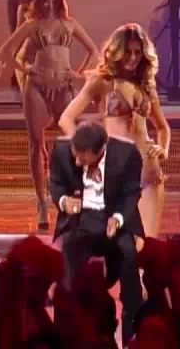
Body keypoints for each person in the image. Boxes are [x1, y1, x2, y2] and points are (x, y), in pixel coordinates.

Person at [0, 0, 97, 231]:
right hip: (37, 88)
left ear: (59, 1)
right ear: (39, 2)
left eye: (53, 1)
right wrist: (24, 69)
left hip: (63, 88)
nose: (49, 5)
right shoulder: (32, 26)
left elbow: (93, 50)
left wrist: (78, 74)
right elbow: (5, 51)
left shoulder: (69, 24)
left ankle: (74, 195)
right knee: (35, 144)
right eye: (45, 1)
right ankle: (41, 202)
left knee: (74, 140)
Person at [60, 23, 171, 238]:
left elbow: (162, 127)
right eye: (128, 52)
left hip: (149, 172)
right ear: (117, 52)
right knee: (116, 244)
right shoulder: (103, 82)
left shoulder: (146, 86)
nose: (133, 57)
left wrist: (163, 149)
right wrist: (87, 153)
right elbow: (67, 119)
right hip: (116, 173)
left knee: (148, 244)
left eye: (138, 52)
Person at [50, 121, 144, 343]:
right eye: (74, 154)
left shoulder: (127, 154)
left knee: (128, 254)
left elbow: (131, 193)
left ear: (99, 151)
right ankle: (67, 329)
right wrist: (63, 202)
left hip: (112, 217)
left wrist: (118, 219)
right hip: (79, 218)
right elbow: (55, 185)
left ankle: (131, 329)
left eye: (82, 158)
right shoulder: (61, 151)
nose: (76, 161)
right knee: (68, 251)